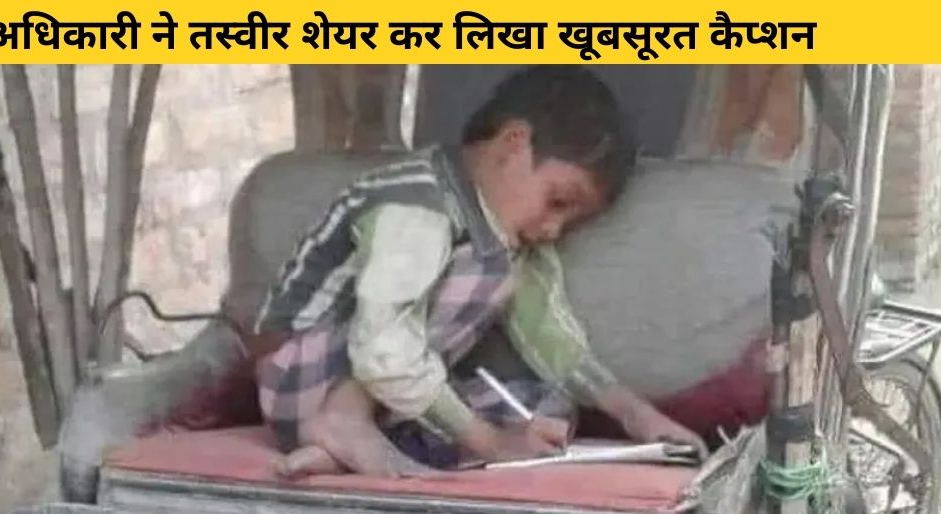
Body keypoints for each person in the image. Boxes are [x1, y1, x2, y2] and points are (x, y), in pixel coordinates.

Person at [252, 65, 708, 479]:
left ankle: (336, 453)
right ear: (513, 144)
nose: (552, 228)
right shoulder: (416, 202)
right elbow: (382, 346)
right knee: (482, 275)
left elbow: (551, 338)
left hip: (390, 399)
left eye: (570, 223)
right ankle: (341, 420)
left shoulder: (501, 237)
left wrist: (636, 416)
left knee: (546, 415)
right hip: (303, 375)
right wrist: (489, 441)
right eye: (557, 201)